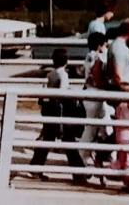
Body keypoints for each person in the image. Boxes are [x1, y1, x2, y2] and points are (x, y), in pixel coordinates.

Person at [30, 49, 87, 181]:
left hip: (51, 110)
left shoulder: (50, 74)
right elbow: (62, 94)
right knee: (69, 142)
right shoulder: (64, 75)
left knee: (48, 139)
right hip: (61, 112)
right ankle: (78, 173)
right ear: (67, 62)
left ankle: (35, 166)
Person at [79, 31, 109, 166]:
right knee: (91, 127)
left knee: (101, 123)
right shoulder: (98, 57)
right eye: (105, 45)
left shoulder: (88, 56)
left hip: (89, 92)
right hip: (95, 94)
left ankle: (101, 152)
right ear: (99, 46)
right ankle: (83, 153)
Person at [106, 19, 129, 91]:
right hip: (122, 94)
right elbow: (118, 75)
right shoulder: (120, 48)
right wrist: (125, 95)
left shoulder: (118, 45)